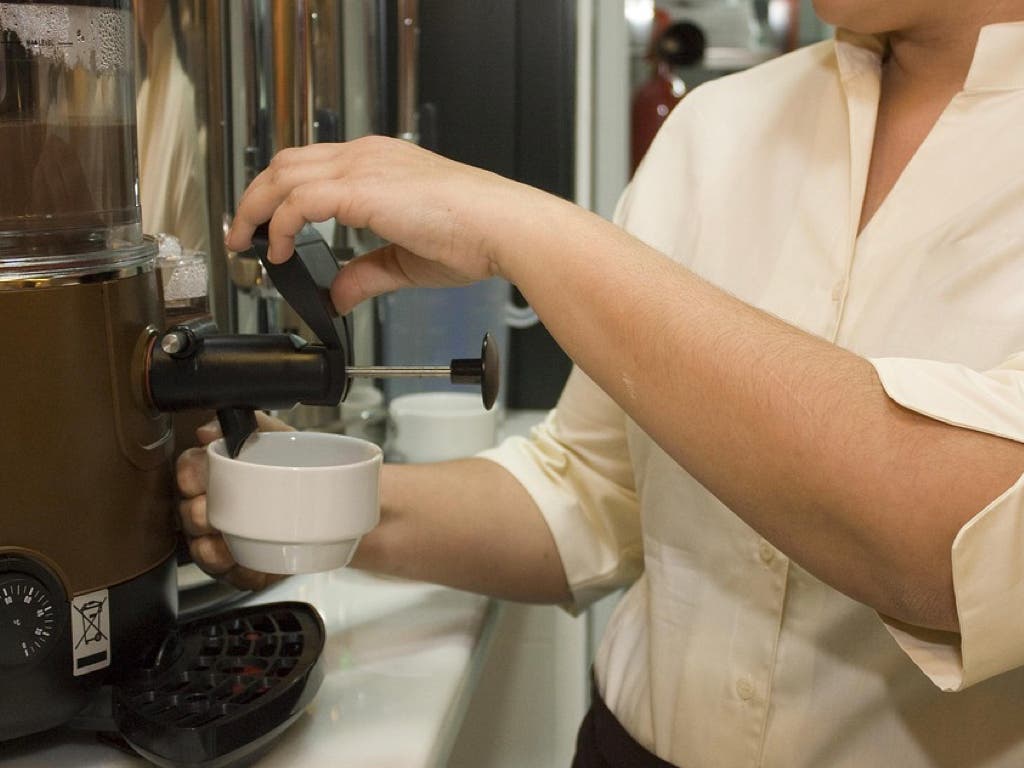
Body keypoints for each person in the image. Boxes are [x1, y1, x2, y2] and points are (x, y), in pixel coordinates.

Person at [178, 1, 1024, 765]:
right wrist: (314, 516)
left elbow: (952, 547)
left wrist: (525, 228)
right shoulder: (718, 125)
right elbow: (588, 492)